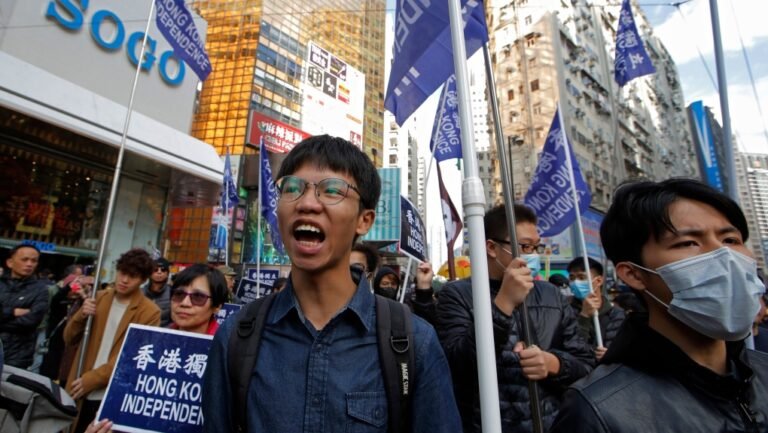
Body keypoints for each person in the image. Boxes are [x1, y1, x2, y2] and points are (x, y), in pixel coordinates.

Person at [202, 135, 461, 432]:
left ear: (364, 220)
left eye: (332, 190)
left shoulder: (415, 343)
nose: (308, 203)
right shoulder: (235, 337)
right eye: (293, 188)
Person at [550, 179, 768, 432]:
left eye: (730, 240)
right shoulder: (597, 411)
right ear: (634, 274)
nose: (724, 257)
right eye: (688, 243)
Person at [436, 204, 594, 433]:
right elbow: (457, 366)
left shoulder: (551, 295)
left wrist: (554, 364)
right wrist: (503, 304)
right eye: (525, 246)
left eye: (536, 247)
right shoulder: (458, 294)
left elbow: (586, 365)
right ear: (491, 247)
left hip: (553, 424)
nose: (533, 254)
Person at [64, 248, 161, 433]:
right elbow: (69, 338)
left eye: (132, 276)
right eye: (122, 273)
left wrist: (94, 378)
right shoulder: (97, 299)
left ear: (143, 280)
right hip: (78, 387)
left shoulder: (149, 312)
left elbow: (133, 356)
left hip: (110, 393)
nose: (124, 280)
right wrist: (81, 315)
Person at [566, 257, 625, 361]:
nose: (575, 282)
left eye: (581, 277)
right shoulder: (565, 311)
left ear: (598, 280)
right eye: (572, 278)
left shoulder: (617, 314)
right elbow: (572, 349)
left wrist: (612, 355)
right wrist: (584, 317)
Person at [0, 244, 49, 369]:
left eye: (34, 261)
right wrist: (12, 312)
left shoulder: (40, 290)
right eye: (24, 259)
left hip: (17, 356)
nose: (29, 264)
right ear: (10, 262)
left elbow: (31, 321)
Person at [169, 264, 227, 335]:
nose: (185, 303)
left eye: (198, 296)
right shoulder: (157, 339)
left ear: (217, 307)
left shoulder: (225, 344)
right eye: (179, 294)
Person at [142, 257, 172, 327]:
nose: (159, 272)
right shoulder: (140, 293)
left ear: (167, 274)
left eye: (163, 270)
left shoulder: (173, 294)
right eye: (155, 270)